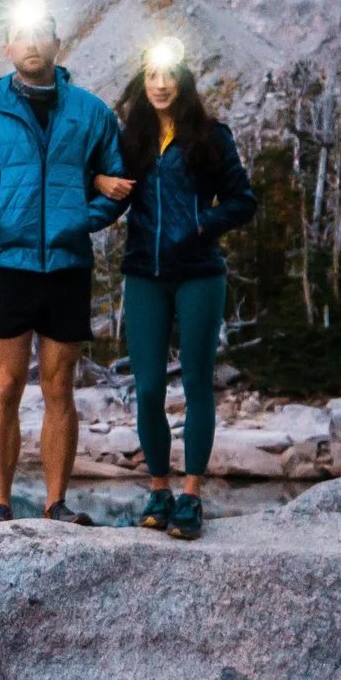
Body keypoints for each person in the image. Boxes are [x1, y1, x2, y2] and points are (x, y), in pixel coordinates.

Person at [0, 0, 127, 524]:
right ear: (6, 47)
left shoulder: (90, 111)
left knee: (59, 388)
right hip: (8, 263)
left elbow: (118, 181)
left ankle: (56, 504)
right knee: (4, 386)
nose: (30, 44)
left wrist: (80, 219)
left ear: (56, 42)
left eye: (40, 33)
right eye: (20, 35)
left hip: (67, 266)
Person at [91, 38, 257, 540]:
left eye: (169, 76)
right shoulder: (131, 139)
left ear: (183, 78)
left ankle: (191, 496)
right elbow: (113, 192)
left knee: (199, 384)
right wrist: (98, 182)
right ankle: (159, 490)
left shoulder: (211, 136)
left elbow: (242, 201)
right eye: (151, 76)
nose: (160, 85)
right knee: (147, 389)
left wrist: (201, 223)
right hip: (144, 273)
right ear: (143, 82)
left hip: (200, 273)